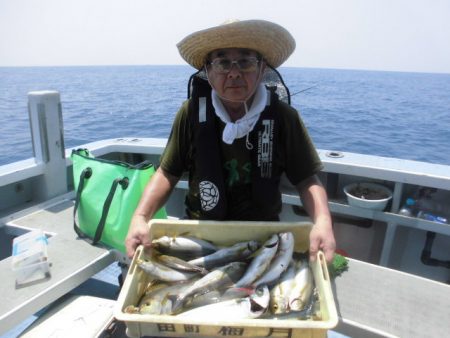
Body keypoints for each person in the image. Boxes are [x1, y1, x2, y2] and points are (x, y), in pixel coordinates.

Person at [125, 19, 336, 263]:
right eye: (223, 62)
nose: (234, 72)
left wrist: (322, 222)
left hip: (262, 237)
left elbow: (306, 178)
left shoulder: (284, 117)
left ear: (261, 68)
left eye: (245, 61)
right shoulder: (191, 113)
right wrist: (140, 218)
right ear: (208, 70)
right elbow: (167, 173)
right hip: (200, 232)